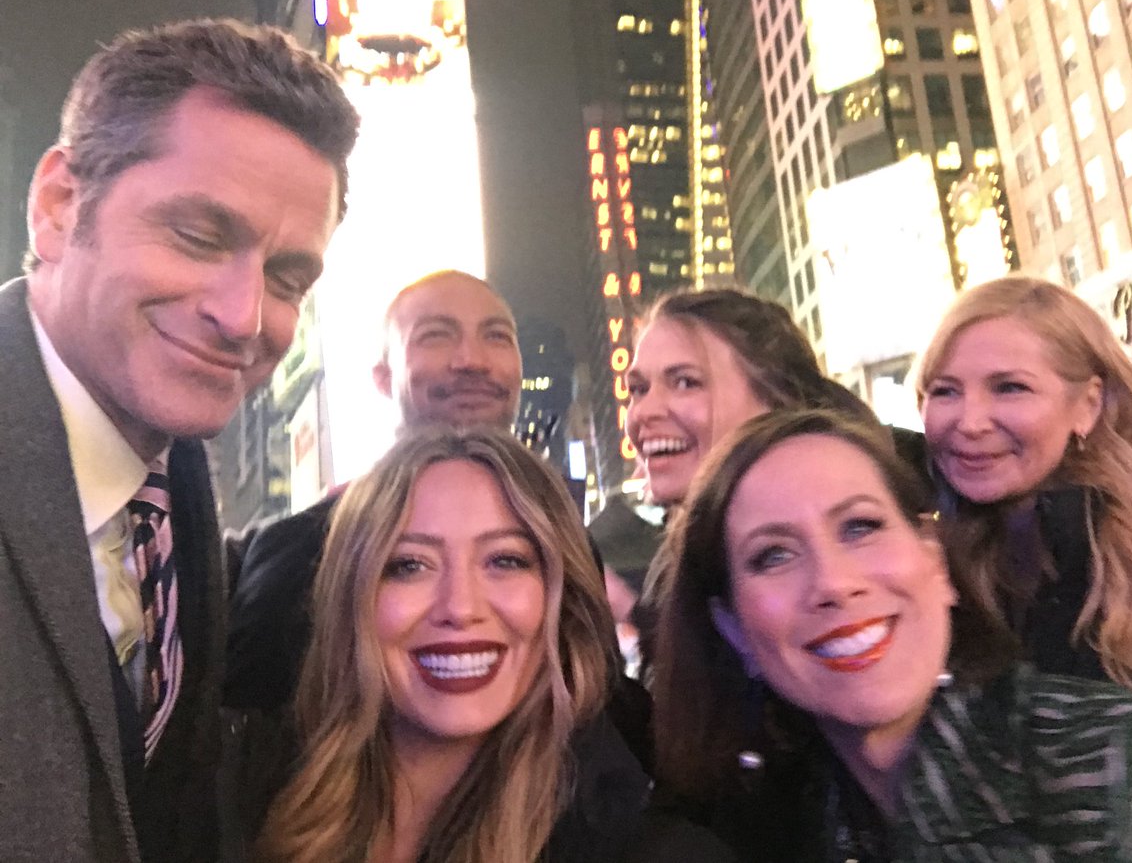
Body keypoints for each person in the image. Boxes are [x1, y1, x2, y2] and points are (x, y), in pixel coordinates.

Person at [0, 18, 358, 863]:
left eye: (286, 278)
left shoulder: (176, 489)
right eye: (199, 237)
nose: (244, 318)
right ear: (59, 206)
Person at [653, 408, 1132, 861]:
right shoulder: (773, 830)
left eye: (860, 526)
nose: (835, 584)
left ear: (935, 564)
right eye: (773, 555)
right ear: (732, 629)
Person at [254, 428, 733, 863]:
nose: (460, 608)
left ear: (560, 600)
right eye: (409, 565)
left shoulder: (656, 851)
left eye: (505, 560)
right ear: (350, 599)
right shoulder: (237, 802)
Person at [225, 269, 522, 712]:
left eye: (496, 337)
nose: (472, 360)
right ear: (383, 378)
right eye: (436, 337)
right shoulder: (303, 548)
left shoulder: (560, 539)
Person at [916, 276, 1132, 702]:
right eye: (945, 390)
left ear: (1088, 405)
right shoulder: (943, 555)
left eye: (1010, 387)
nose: (969, 422)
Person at [622, 288, 899, 667]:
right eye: (638, 389)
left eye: (686, 382)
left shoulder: (862, 537)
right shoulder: (681, 568)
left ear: (775, 402)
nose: (642, 413)